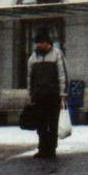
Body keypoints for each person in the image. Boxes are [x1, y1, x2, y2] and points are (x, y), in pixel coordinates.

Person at [27, 27, 68, 158]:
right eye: (38, 42)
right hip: (39, 96)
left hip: (53, 95)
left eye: (42, 42)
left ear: (48, 42)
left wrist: (63, 92)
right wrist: (30, 94)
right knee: (41, 125)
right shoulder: (33, 58)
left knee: (53, 124)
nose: (40, 44)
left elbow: (63, 74)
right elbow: (29, 78)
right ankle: (42, 148)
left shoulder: (57, 54)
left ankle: (51, 149)